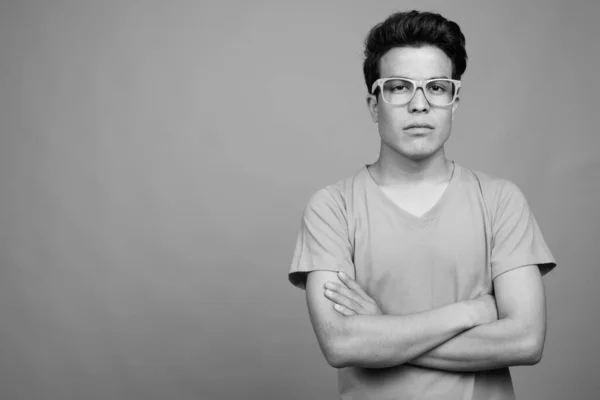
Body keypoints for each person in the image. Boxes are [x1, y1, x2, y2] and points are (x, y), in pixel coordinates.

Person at [288, 9, 556, 400]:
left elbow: (525, 341)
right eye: (399, 87)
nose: (419, 104)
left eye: (436, 87)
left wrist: (384, 331)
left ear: (454, 100)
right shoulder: (332, 208)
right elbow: (342, 344)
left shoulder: (500, 201)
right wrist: (473, 312)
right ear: (373, 104)